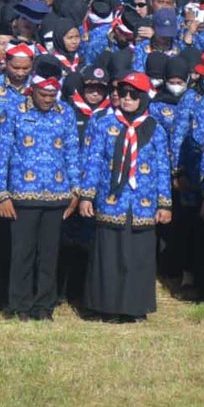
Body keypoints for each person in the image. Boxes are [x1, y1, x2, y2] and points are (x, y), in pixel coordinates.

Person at [76, 73, 173, 322]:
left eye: (133, 95)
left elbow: (163, 168)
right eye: (123, 94)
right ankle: (106, 307)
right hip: (111, 201)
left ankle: (134, 307)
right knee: (109, 254)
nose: (127, 99)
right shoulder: (104, 125)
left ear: (143, 98)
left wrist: (164, 203)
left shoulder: (155, 129)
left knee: (138, 255)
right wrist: (87, 196)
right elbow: (93, 161)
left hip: (142, 202)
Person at [0, 70, 79, 320]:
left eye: (52, 95)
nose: (48, 99)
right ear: (32, 91)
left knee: (49, 255)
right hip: (22, 196)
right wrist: (2, 194)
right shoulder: (16, 112)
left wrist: (76, 190)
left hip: (56, 196)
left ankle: (44, 306)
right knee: (22, 254)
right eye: (43, 94)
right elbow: (1, 153)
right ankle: (20, 305)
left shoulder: (65, 113)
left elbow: (72, 152)